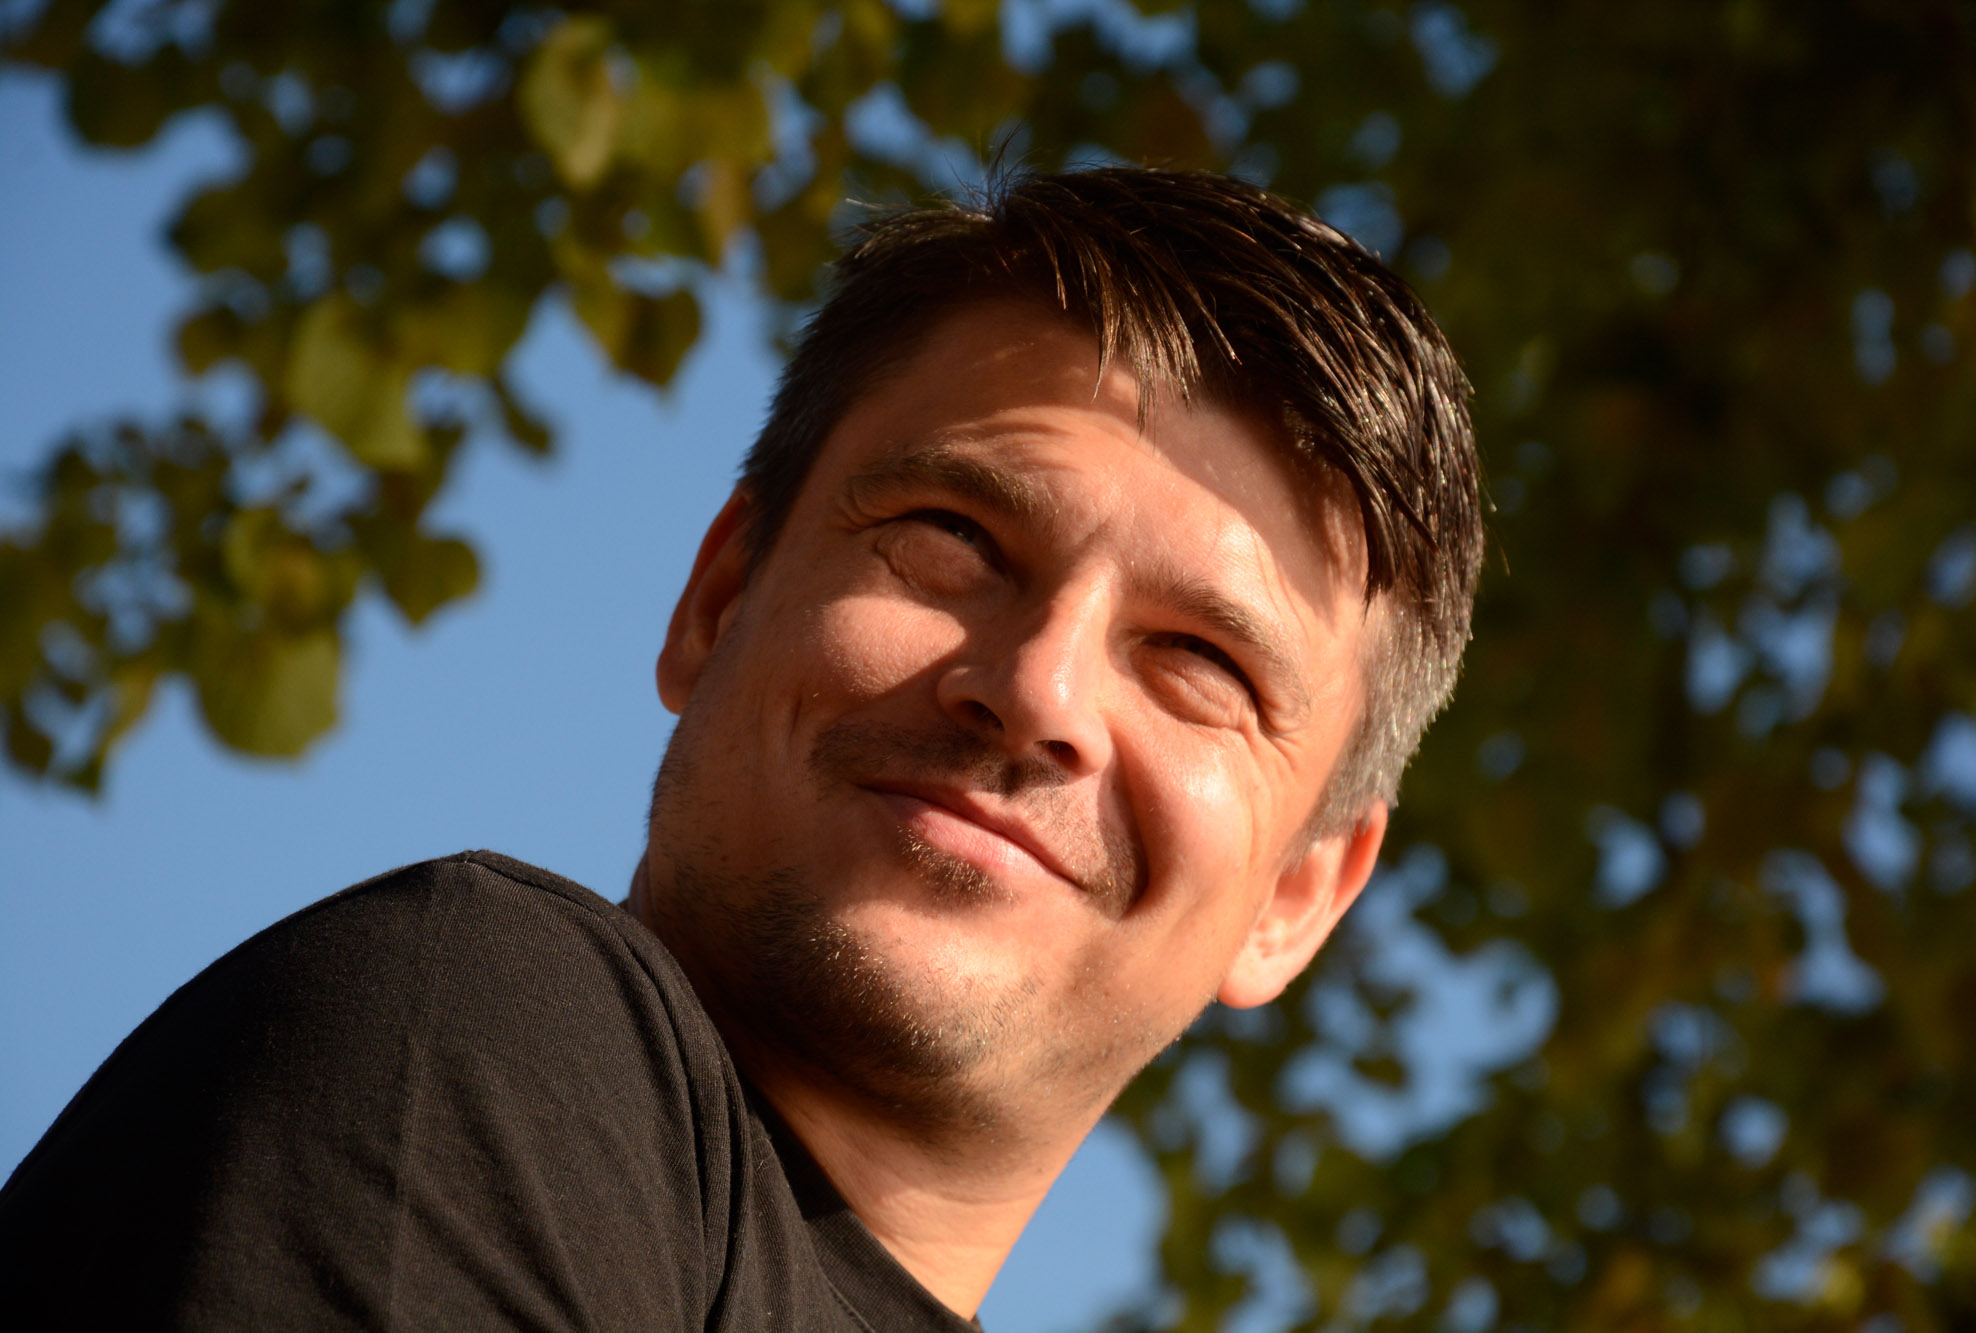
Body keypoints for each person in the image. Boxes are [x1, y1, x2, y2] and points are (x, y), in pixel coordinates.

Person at [0, 167, 1482, 1328]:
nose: (1039, 688)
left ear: (1301, 892)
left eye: (1203, 664)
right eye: (955, 539)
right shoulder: (482, 1026)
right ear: (718, 600)